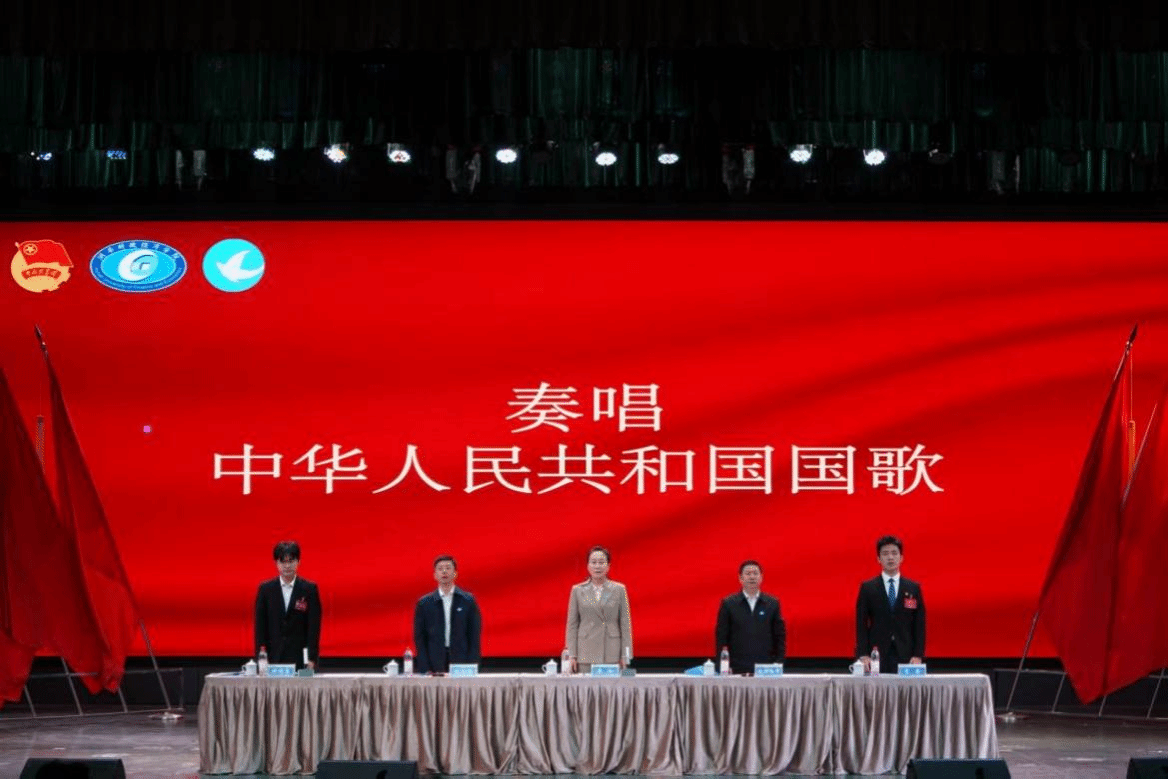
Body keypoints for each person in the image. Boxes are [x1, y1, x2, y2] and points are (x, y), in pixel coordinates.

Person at [855, 535, 925, 673]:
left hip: (906, 654)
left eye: (894, 553)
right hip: (876, 654)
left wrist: (918, 655)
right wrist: (863, 654)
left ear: (901, 558)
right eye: (885, 554)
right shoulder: (868, 588)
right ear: (878, 559)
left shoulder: (913, 588)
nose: (890, 557)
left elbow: (919, 624)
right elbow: (861, 624)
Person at [565, 545, 633, 673]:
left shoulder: (619, 590)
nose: (597, 566)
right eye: (594, 562)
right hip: (585, 652)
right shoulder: (578, 591)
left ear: (608, 566)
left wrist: (626, 655)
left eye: (601, 562)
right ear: (588, 566)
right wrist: (571, 655)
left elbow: (625, 625)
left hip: (611, 652)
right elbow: (572, 625)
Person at [254, 540, 321, 669]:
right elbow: (260, 628)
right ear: (276, 563)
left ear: (298, 562)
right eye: (283, 562)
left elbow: (313, 629)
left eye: (291, 561)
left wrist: (311, 659)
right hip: (272, 659)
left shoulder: (309, 589)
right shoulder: (265, 590)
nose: (287, 566)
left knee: (304, 682)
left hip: (302, 661)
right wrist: (261, 659)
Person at [413, 554, 483, 674]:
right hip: (434, 660)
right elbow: (420, 638)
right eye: (440, 569)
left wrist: (473, 664)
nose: (444, 571)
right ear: (435, 575)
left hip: (461, 659)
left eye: (448, 568)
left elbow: (474, 636)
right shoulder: (425, 603)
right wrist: (424, 666)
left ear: (455, 573)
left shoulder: (467, 601)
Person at [714, 560, 787, 674]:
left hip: (766, 668)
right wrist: (722, 666)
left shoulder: (772, 603)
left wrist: (779, 663)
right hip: (736, 668)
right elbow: (721, 637)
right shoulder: (729, 603)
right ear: (740, 578)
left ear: (761, 577)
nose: (752, 577)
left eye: (755, 573)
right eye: (748, 574)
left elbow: (779, 637)